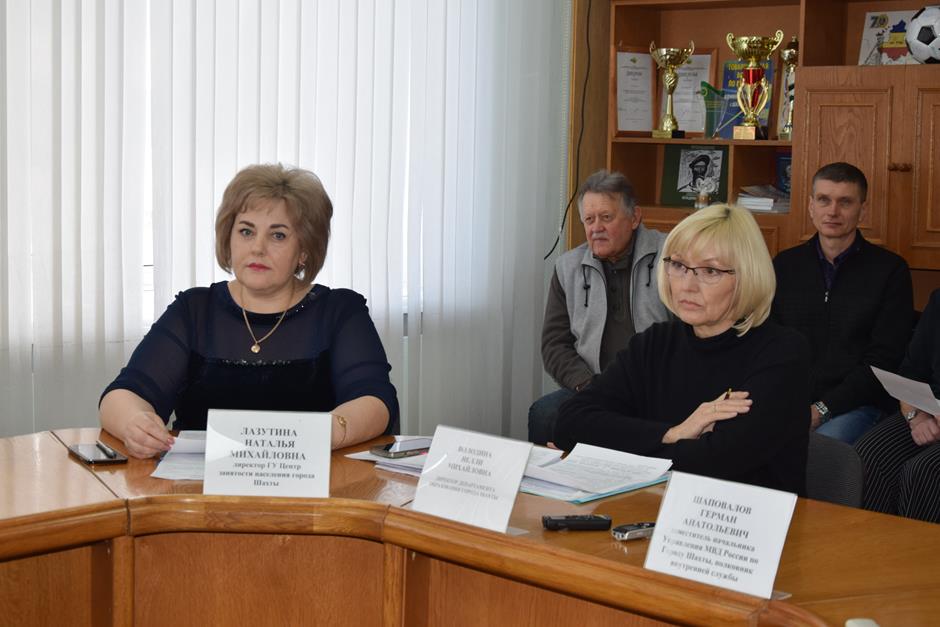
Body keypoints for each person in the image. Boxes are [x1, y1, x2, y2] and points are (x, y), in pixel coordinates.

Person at [99, 164, 399, 458]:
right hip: (199, 485)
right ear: (228, 239)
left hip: (315, 483)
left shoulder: (340, 311)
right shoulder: (194, 310)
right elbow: (124, 393)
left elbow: (374, 399)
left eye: (278, 235)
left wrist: (328, 432)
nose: (258, 248)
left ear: (304, 250)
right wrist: (134, 423)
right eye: (246, 231)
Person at [554, 204, 810, 494]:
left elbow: (715, 461)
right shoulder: (656, 342)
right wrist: (673, 433)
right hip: (651, 505)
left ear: (747, 277)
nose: (687, 285)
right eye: (678, 265)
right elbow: (569, 423)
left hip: (740, 514)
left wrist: (613, 448)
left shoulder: (782, 353)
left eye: (710, 270)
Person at [772, 162, 913, 444]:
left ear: (863, 209)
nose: (833, 211)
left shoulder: (890, 271)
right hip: (791, 399)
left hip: (858, 405)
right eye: (824, 200)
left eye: (845, 202)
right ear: (811, 206)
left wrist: (822, 410)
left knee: (818, 452)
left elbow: (883, 362)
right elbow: (771, 343)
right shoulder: (785, 265)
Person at [529, 170, 670, 445]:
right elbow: (554, 344)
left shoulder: (670, 257)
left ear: (635, 218)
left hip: (655, 388)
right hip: (593, 385)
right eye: (589, 219)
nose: (596, 228)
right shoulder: (568, 268)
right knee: (545, 415)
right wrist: (587, 386)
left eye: (606, 217)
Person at [856, 289, 940, 523]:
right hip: (928, 409)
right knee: (869, 455)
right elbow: (911, 371)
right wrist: (915, 417)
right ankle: (871, 543)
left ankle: (915, 547)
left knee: (923, 471)